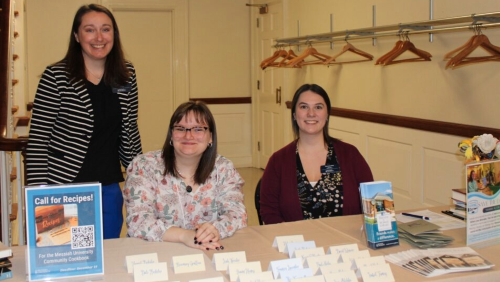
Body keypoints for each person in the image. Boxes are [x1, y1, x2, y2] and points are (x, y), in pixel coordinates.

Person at [25, 4, 142, 239]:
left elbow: (130, 130)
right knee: (65, 259)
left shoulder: (125, 74)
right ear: (77, 36)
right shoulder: (56, 76)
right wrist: (38, 196)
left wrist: (141, 178)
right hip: (63, 187)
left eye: (106, 29)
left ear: (114, 35)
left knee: (107, 256)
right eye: (90, 30)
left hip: (108, 187)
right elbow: (38, 141)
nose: (99, 37)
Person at [124, 101, 247, 250]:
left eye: (198, 129)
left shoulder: (223, 168)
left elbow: (237, 214)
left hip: (209, 251)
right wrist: (184, 236)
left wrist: (213, 230)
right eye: (181, 129)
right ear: (171, 135)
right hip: (156, 254)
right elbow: (138, 222)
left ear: (210, 137)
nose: (188, 136)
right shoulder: (144, 166)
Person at [260, 84, 373, 224]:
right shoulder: (278, 161)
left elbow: (371, 202)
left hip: (345, 243)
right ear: (294, 115)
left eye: (318, 107)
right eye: (304, 107)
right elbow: (269, 210)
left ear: (327, 115)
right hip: (297, 244)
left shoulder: (350, 155)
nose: (311, 113)